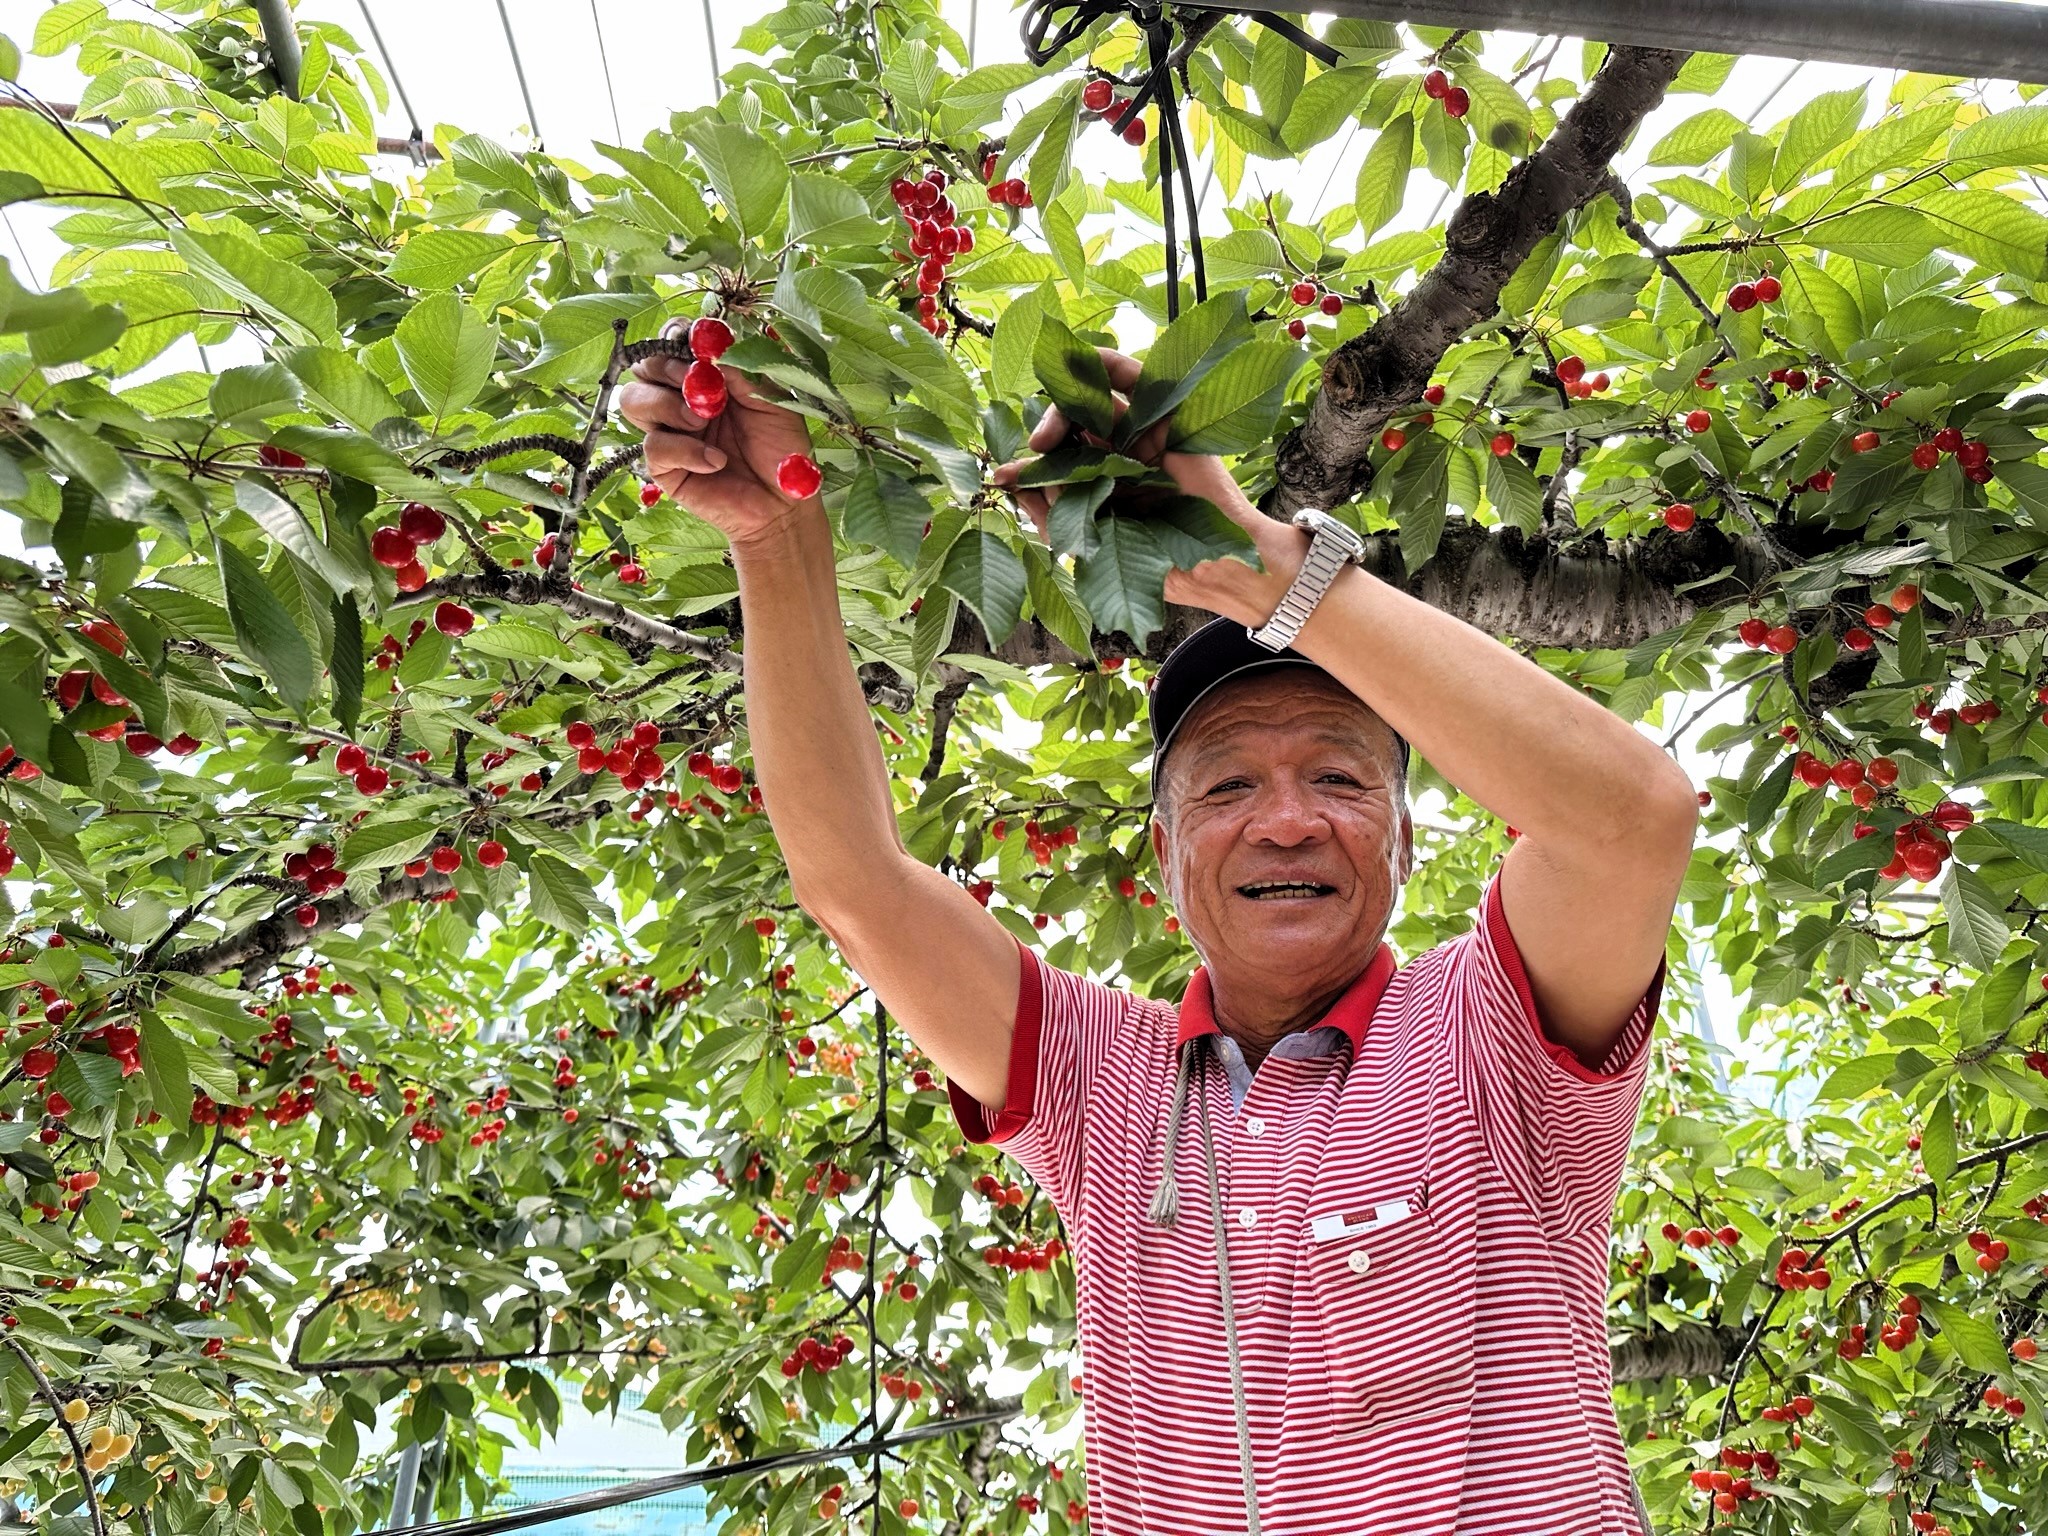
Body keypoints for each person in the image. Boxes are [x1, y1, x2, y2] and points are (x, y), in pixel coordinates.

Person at [622, 330, 1698, 1536]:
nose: (1284, 822)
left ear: (1403, 839)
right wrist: (775, 538)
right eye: (1226, 788)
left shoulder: (1490, 1035)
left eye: (1340, 782)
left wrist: (1254, 566)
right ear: (1162, 851)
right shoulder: (1102, 1082)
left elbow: (1630, 822)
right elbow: (856, 886)